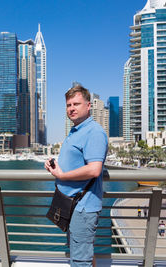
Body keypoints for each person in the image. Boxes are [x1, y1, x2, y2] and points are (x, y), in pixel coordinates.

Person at [45, 85, 108, 267]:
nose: (71, 108)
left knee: (80, 261)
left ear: (88, 106)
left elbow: (94, 169)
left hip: (83, 207)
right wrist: (55, 167)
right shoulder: (76, 130)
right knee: (82, 254)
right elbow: (75, 161)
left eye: (76, 104)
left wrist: (63, 176)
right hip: (70, 204)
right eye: (68, 105)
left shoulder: (94, 132)